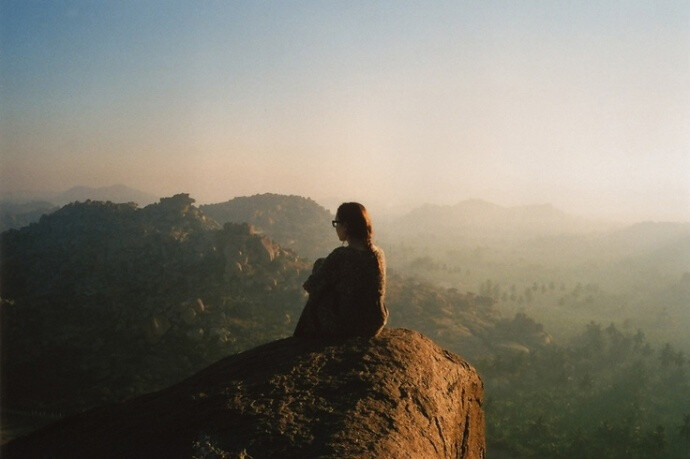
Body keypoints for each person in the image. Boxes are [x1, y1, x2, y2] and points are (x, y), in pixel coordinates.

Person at [293, 202, 388, 339]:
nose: (336, 227)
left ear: (346, 226)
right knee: (322, 265)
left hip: (349, 328)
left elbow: (310, 286)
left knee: (319, 276)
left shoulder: (341, 256)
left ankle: (300, 338)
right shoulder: (379, 253)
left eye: (336, 223)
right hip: (374, 324)